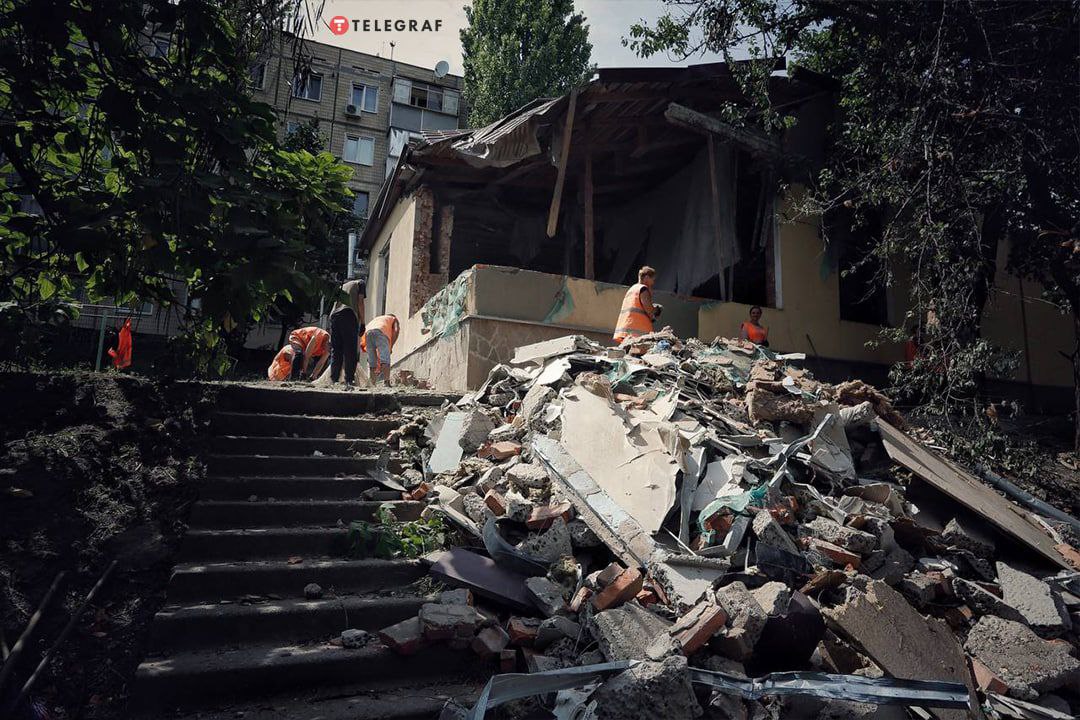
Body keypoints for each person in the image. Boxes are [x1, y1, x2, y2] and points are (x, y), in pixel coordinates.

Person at [329, 277, 366, 385]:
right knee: (350, 349)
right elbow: (360, 302)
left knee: (337, 350)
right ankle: (349, 379)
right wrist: (363, 323)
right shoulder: (360, 283)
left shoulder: (341, 287)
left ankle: (334, 379)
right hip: (348, 314)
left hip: (334, 316)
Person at [614, 266, 662, 344]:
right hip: (637, 332)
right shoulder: (643, 289)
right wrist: (656, 309)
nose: (653, 283)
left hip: (626, 330)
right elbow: (648, 309)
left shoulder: (632, 289)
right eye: (652, 280)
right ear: (646, 277)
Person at [362, 314, 399, 386]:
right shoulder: (393, 318)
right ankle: (386, 382)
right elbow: (396, 330)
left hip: (368, 333)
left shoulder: (377, 319)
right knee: (385, 359)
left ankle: (372, 383)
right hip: (380, 332)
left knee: (372, 361)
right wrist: (391, 346)